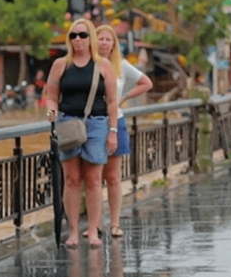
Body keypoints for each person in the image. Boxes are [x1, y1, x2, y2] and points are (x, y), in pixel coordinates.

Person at [44, 18, 119, 248]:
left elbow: (112, 101)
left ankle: (93, 229)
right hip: (68, 123)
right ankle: (74, 230)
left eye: (83, 35)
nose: (78, 39)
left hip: (96, 123)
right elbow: (51, 95)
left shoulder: (103, 65)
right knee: (72, 179)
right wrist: (51, 109)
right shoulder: (60, 64)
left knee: (94, 179)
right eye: (73, 35)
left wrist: (113, 131)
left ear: (91, 39)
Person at [96, 23, 153, 238]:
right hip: (94, 122)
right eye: (100, 38)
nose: (103, 43)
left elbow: (146, 83)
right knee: (93, 178)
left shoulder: (121, 65)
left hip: (116, 122)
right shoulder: (89, 64)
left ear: (113, 44)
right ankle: (96, 223)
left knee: (112, 176)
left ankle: (115, 223)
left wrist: (125, 97)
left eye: (107, 39)